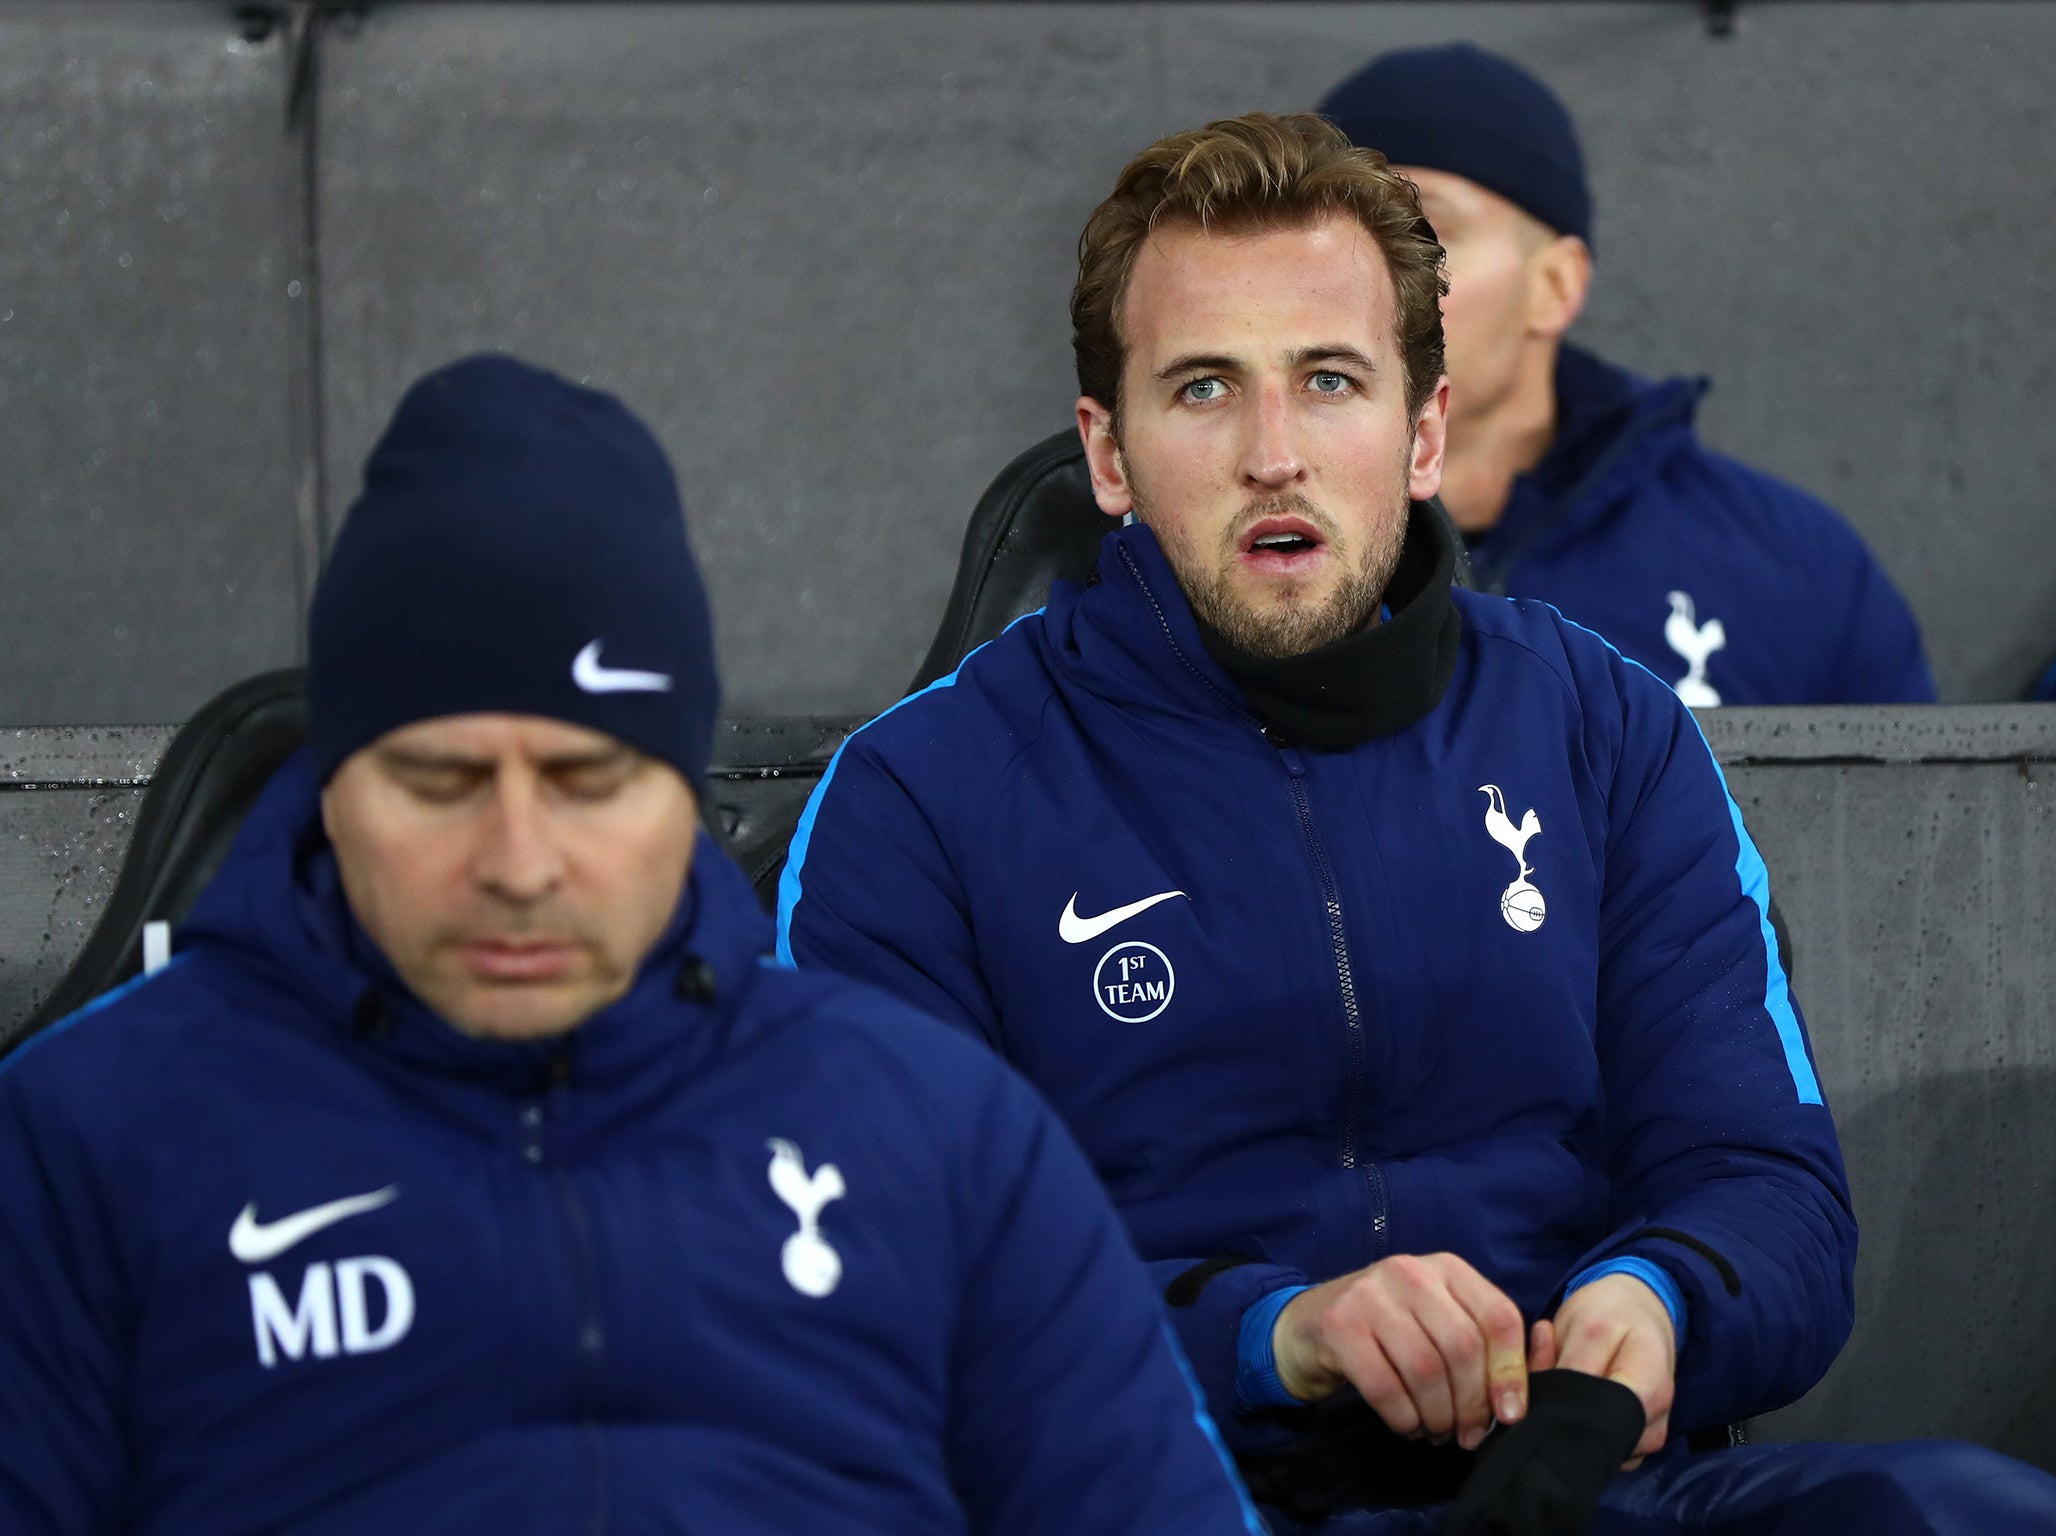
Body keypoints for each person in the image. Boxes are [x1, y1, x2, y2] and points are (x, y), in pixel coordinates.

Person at [778, 114, 2056, 1532]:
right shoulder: (921, 794)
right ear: (1110, 454)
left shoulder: (1603, 727)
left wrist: (1659, 1300)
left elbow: (1770, 1194)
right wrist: (1278, 1337)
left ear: (1423, 428)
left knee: (1968, 1512)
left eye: (1330, 380)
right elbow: (884, 1280)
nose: (1276, 454)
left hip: (1578, 1488)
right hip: (1168, 1496)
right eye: (1204, 388)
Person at [0, 355, 1265, 1536]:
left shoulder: (937, 1132)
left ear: (686, 796)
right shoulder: (83, 1142)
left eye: (589, 778)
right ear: (331, 788)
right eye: (439, 781)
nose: (518, 861)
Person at [1319, 43, 1935, 707]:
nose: (1361, 279)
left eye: (1421, 232)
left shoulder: (1791, 573)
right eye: (1332, 240)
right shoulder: (1225, 551)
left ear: (1554, 285)